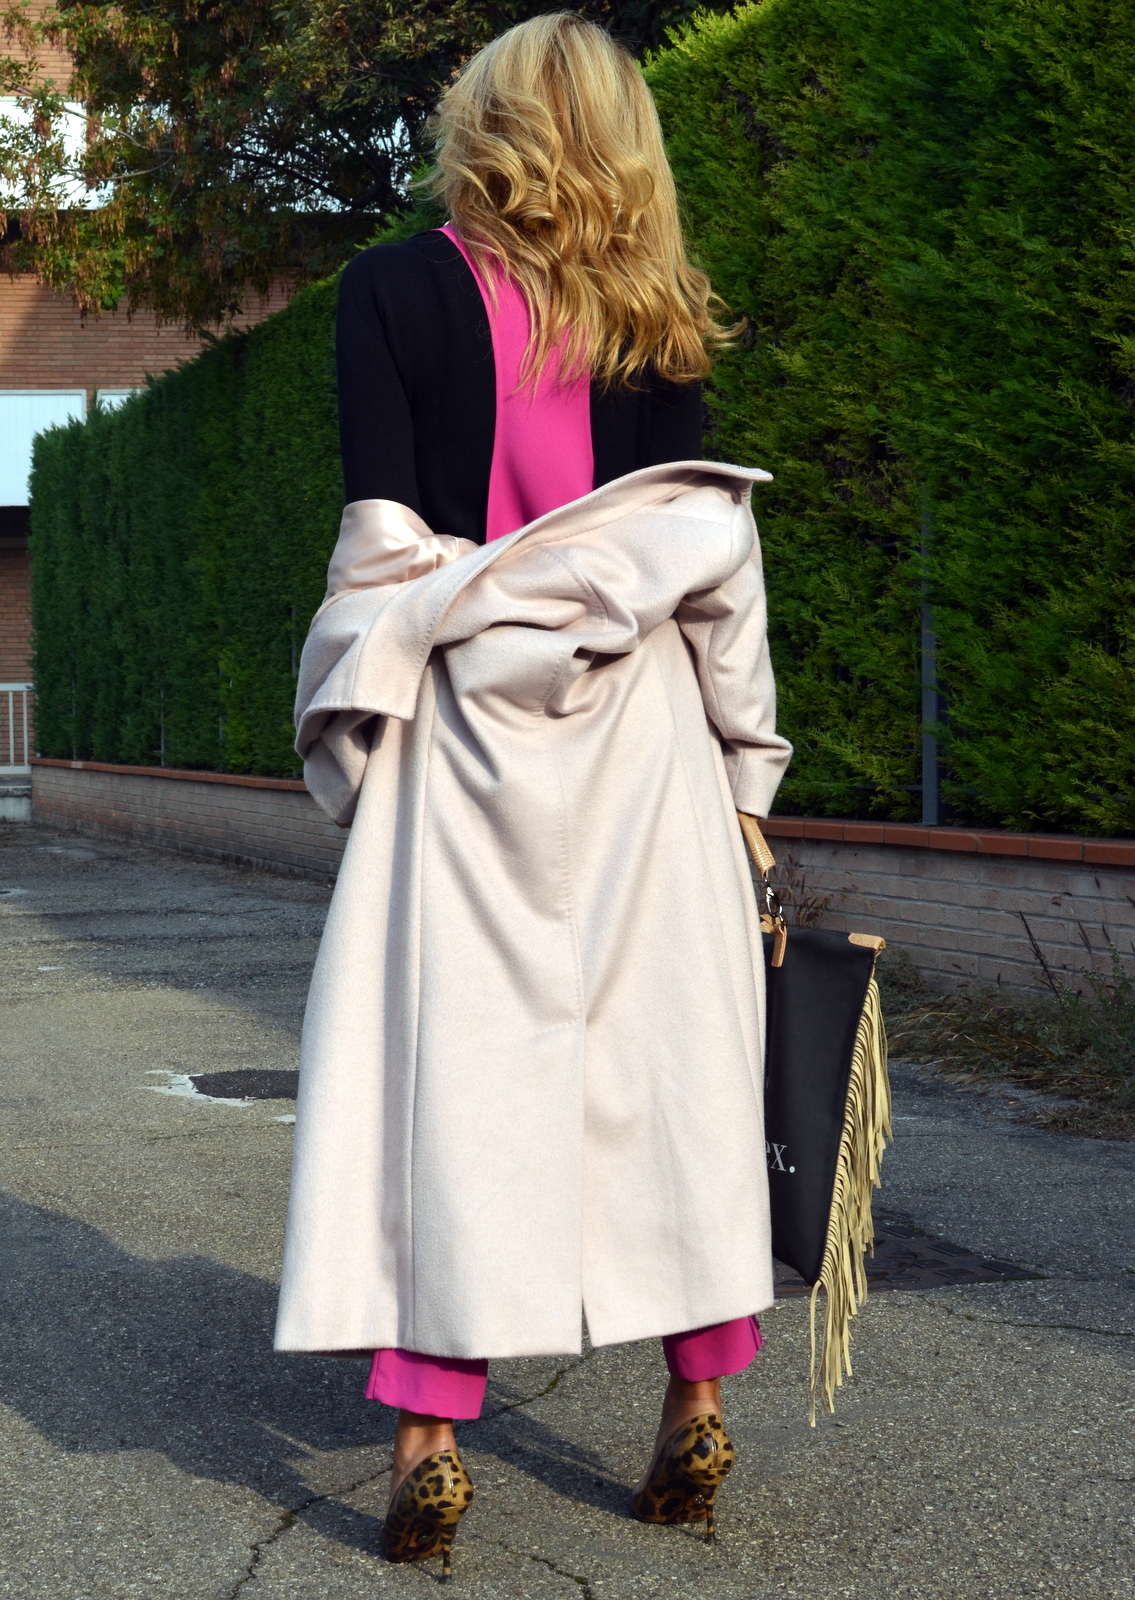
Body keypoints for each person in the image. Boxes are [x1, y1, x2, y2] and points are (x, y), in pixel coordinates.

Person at [274, 12, 792, 1580]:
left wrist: (357, 745)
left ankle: (430, 1442)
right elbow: (712, 562)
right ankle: (696, 1400)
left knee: (451, 1087)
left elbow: (380, 548)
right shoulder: (659, 317)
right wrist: (750, 782)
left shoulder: (389, 291)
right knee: (674, 1078)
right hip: (643, 745)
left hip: (461, 732)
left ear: (482, 124)